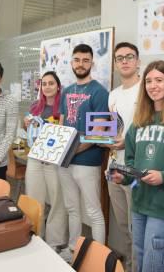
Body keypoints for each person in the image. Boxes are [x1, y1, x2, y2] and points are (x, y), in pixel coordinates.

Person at [111, 60, 164, 272]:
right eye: (149, 81)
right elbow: (131, 160)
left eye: (159, 80)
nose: (153, 86)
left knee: (153, 267)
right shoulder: (139, 120)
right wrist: (124, 176)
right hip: (139, 203)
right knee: (138, 263)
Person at [58, 44, 109, 262]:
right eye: (77, 60)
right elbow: (61, 126)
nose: (81, 64)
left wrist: (72, 150)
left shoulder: (99, 91)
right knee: (72, 208)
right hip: (64, 162)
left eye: (85, 60)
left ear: (92, 63)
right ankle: (73, 250)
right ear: (72, 62)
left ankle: (98, 259)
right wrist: (60, 151)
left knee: (94, 212)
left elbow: (98, 132)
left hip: (87, 162)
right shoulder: (67, 91)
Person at [105, 42, 141, 271]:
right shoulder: (113, 94)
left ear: (138, 61)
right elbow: (112, 130)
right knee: (122, 224)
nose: (125, 61)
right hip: (114, 165)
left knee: (135, 225)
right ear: (115, 64)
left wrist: (127, 142)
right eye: (120, 58)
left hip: (135, 167)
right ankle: (128, 265)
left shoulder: (146, 90)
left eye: (129, 57)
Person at [25, 71, 68, 250]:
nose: (47, 87)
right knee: (35, 200)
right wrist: (26, 124)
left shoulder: (64, 107)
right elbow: (28, 130)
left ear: (58, 86)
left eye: (51, 83)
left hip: (54, 160)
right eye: (44, 84)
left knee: (58, 202)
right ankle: (35, 237)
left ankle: (55, 242)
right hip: (35, 158)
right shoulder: (35, 106)